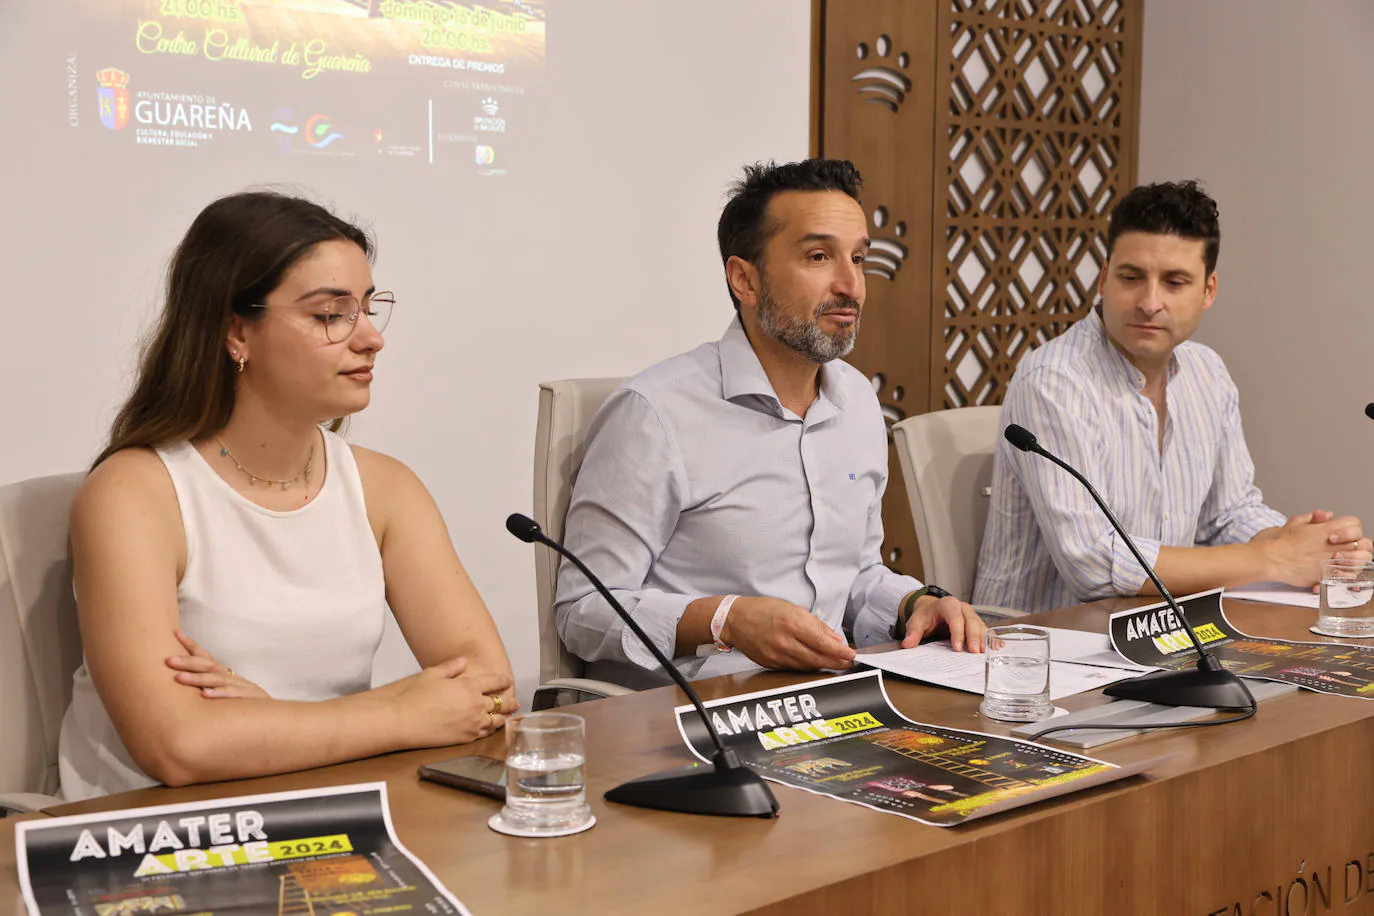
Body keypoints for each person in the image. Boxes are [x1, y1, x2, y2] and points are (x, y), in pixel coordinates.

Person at [58, 192, 518, 800]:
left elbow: (489, 689)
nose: (371, 339)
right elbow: (178, 746)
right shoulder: (133, 492)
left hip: (325, 814)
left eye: (369, 308)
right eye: (332, 314)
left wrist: (265, 718)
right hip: (155, 838)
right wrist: (400, 713)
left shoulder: (385, 487)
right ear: (235, 332)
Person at [554, 158, 985, 689]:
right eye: (819, 256)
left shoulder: (856, 402)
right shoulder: (655, 412)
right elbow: (584, 610)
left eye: (859, 258)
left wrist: (916, 602)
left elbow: (850, 578)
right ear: (745, 279)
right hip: (695, 722)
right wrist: (725, 620)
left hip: (833, 704)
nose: (851, 286)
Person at [973, 180, 1372, 614]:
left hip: (1164, 636)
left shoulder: (1207, 373)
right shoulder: (1053, 381)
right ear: (1104, 279)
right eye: (1131, 277)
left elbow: (1228, 515)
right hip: (1039, 649)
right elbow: (1091, 562)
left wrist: (1306, 546)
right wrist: (1274, 558)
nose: (1149, 302)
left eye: (1175, 282)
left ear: (1209, 290)